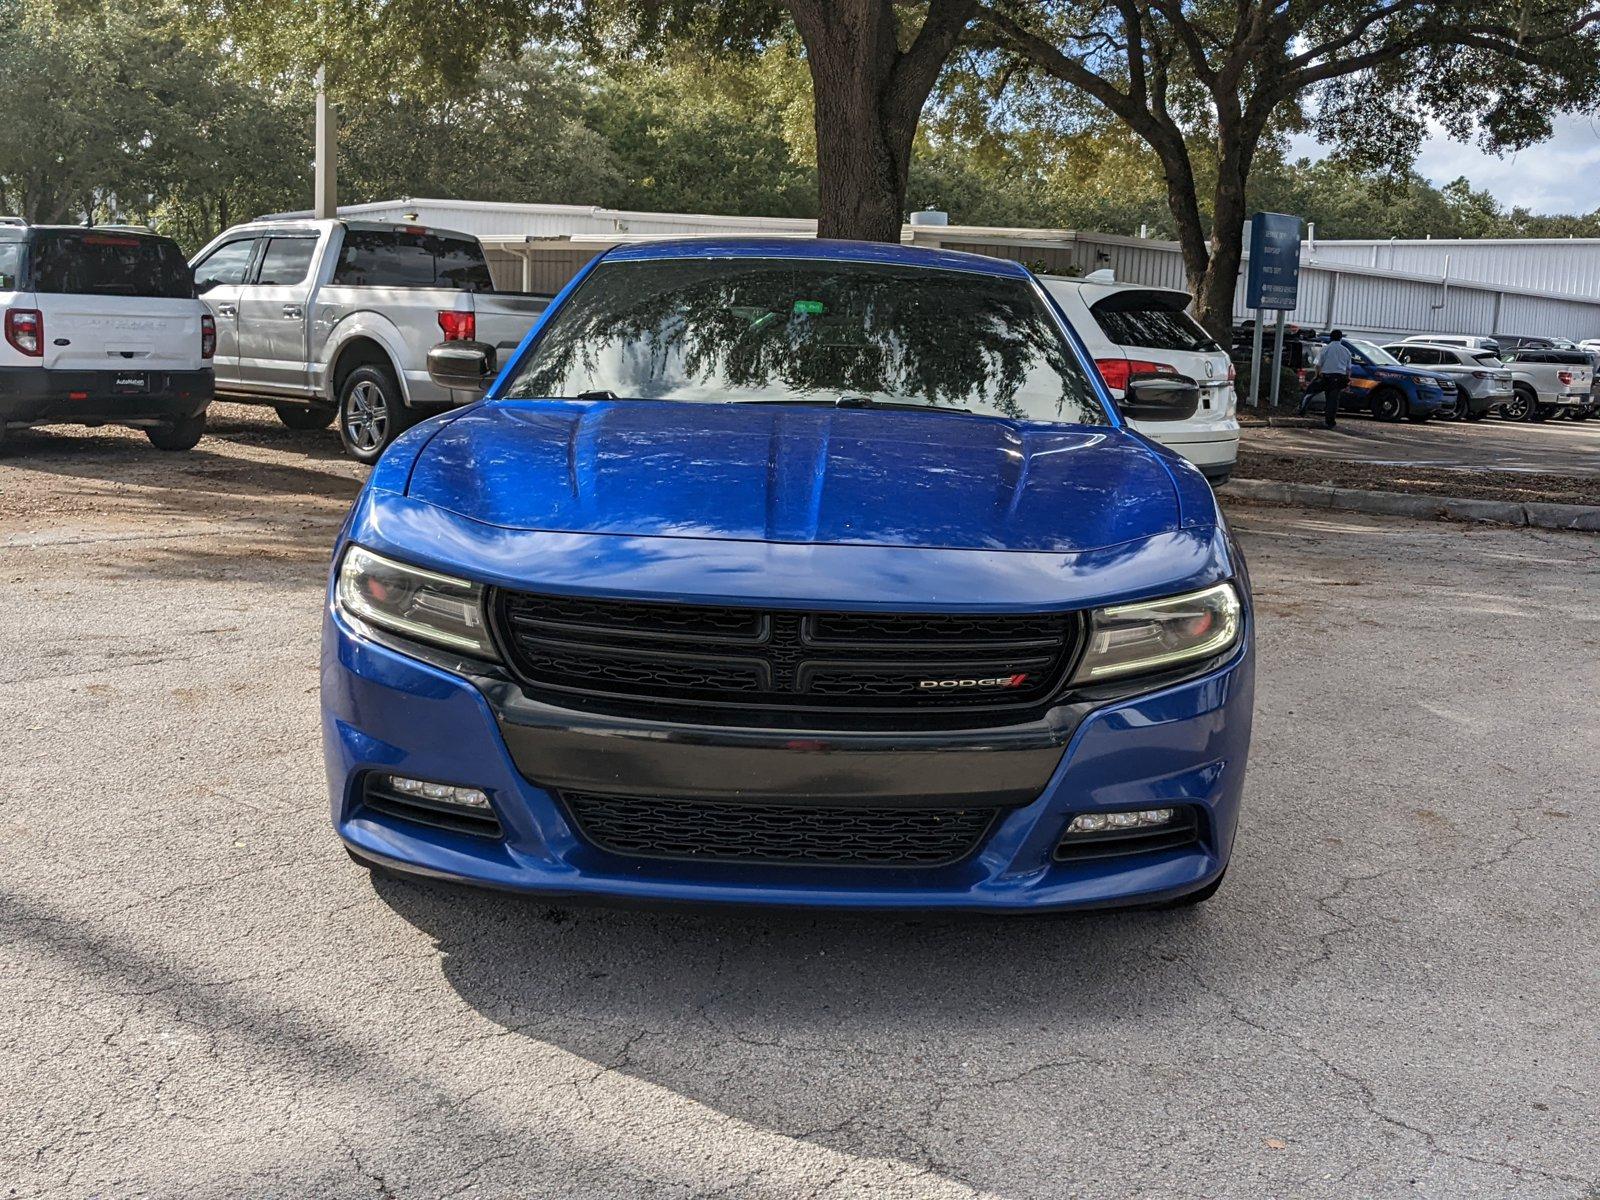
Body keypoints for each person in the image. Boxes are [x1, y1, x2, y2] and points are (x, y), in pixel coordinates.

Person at [1305, 331, 1352, 428]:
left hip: (1326, 377)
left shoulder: (1325, 349)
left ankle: (1301, 410)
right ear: (1340, 338)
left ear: (1331, 338)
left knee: (1310, 391)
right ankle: (1330, 422)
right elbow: (1348, 369)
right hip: (1340, 378)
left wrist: (1317, 376)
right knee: (1333, 400)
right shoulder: (1346, 351)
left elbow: (1318, 365)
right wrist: (1347, 381)